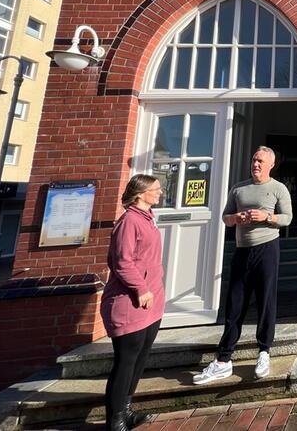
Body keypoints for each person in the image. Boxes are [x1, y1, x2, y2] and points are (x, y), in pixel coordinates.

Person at [194, 146, 292, 384]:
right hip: (241, 251)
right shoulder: (239, 188)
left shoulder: (278, 189)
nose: (255, 164)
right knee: (235, 302)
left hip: (267, 249)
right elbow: (225, 217)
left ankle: (264, 352)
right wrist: (236, 218)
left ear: (271, 164)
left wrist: (267, 217)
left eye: (260, 161)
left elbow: (288, 218)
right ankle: (223, 359)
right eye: (253, 160)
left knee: (266, 301)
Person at [101, 175, 165, 431]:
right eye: (155, 189)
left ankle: (126, 410)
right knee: (125, 361)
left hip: (151, 303)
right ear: (140, 194)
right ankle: (115, 419)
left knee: (140, 358)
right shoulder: (128, 221)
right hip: (131, 302)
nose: (160, 193)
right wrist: (141, 289)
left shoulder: (147, 219)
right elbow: (121, 262)